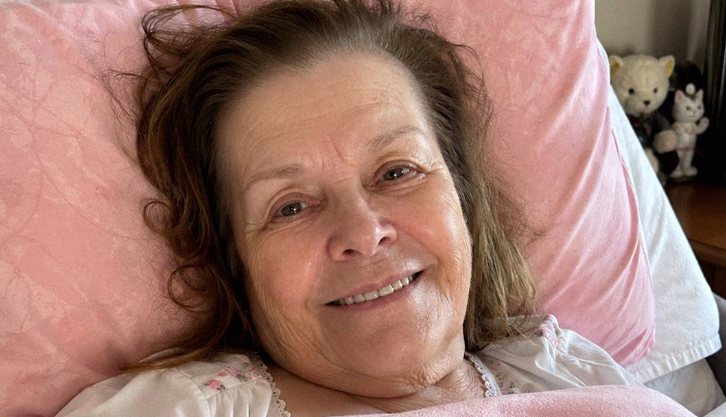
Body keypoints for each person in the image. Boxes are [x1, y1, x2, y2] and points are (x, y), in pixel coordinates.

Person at [57, 1, 642, 416]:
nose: (363, 233)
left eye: (397, 172)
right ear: (235, 263)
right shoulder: (186, 410)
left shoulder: (565, 370)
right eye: (291, 207)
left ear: (462, 197)